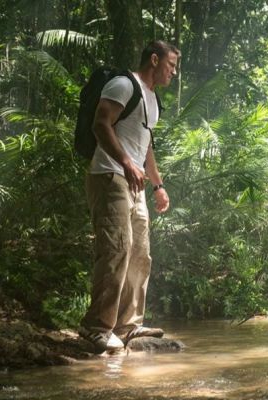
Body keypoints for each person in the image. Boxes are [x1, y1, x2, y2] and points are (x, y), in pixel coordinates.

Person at [79, 41, 179, 353]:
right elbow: (100, 124)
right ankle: (97, 327)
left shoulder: (152, 99)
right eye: (171, 65)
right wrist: (125, 164)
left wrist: (158, 186)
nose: (173, 72)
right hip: (109, 176)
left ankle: (128, 326)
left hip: (135, 186)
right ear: (154, 59)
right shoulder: (124, 85)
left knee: (140, 254)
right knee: (116, 249)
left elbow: (145, 147)